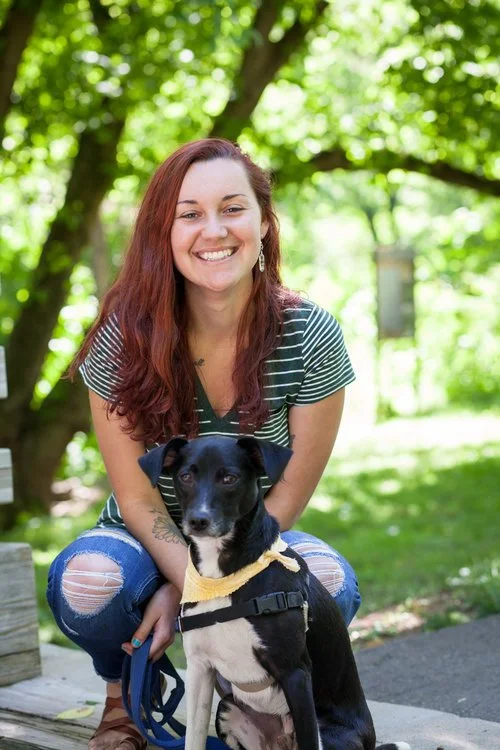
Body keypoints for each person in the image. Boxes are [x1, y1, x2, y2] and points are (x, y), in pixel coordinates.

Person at [46, 138, 360, 750]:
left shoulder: (310, 333)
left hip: (252, 539)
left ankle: (268, 712)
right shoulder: (122, 337)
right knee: (91, 584)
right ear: (163, 233)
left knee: (328, 581)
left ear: (263, 224)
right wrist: (193, 581)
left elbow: (287, 496)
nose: (213, 230)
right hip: (148, 538)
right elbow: (138, 499)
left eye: (232, 209)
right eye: (189, 214)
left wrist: (203, 589)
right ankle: (122, 702)